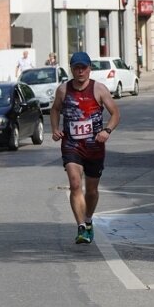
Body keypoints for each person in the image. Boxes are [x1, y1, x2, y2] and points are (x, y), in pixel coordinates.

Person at [50, 52, 120, 244]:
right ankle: (81, 227)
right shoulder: (63, 90)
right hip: (72, 145)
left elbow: (115, 114)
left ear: (90, 68)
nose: (80, 71)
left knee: (91, 190)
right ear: (71, 69)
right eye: (76, 68)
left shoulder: (99, 89)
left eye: (84, 67)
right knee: (74, 184)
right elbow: (55, 109)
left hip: (94, 146)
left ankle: (88, 219)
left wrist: (107, 130)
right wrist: (55, 129)